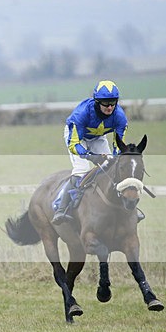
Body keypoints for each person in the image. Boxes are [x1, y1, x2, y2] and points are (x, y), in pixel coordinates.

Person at [51, 80, 128, 225]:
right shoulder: (82, 114)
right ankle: (61, 208)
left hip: (98, 137)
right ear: (97, 101)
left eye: (113, 102)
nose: (110, 106)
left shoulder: (120, 117)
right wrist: (92, 157)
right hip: (76, 138)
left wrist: (116, 158)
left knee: (113, 167)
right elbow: (74, 144)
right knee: (81, 170)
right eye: (105, 103)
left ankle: (126, 206)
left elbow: (119, 144)